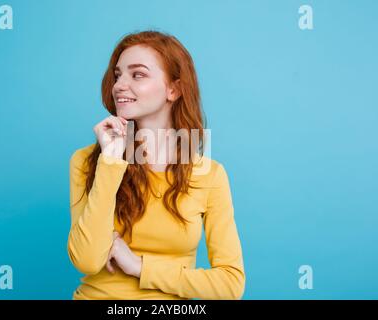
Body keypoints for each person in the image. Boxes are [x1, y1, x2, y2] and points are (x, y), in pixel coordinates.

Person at [67, 30, 245, 300]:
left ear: (173, 89)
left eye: (137, 74)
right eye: (118, 75)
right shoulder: (88, 161)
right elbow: (87, 260)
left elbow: (230, 284)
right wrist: (111, 162)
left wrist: (139, 267)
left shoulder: (209, 174)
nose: (119, 85)